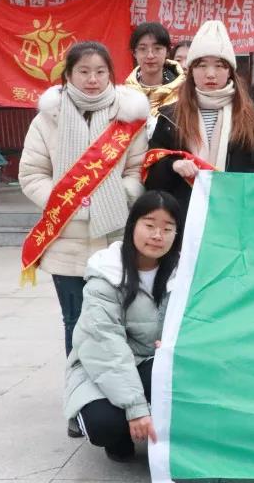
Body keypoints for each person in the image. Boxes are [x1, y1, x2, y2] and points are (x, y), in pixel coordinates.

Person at [18, 41, 149, 438]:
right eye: (84, 72)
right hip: (66, 239)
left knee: (118, 323)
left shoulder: (129, 117)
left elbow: (137, 171)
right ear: (68, 75)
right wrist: (66, 202)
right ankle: (79, 405)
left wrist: (116, 195)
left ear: (111, 74)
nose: (92, 79)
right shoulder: (48, 119)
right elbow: (31, 174)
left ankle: (117, 399)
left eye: (100, 71)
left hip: (114, 237)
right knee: (76, 323)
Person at [65, 191, 182, 463]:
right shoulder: (106, 273)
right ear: (132, 226)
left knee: (173, 372)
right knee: (104, 424)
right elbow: (105, 346)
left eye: (168, 229)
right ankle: (119, 436)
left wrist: (180, 342)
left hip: (153, 362)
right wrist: (136, 408)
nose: (157, 235)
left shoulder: (184, 272)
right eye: (150, 225)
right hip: (101, 365)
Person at [145, 20, 254, 214]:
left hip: (234, 214)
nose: (210, 74)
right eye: (202, 66)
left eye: (219, 66)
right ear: (191, 71)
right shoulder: (170, 117)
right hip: (183, 217)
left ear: (230, 71)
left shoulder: (253, 119)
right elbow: (152, 178)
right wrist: (173, 165)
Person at [123, 22, 185, 120]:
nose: (150, 55)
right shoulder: (124, 96)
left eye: (157, 48)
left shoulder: (183, 93)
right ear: (134, 53)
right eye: (143, 49)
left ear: (167, 52)